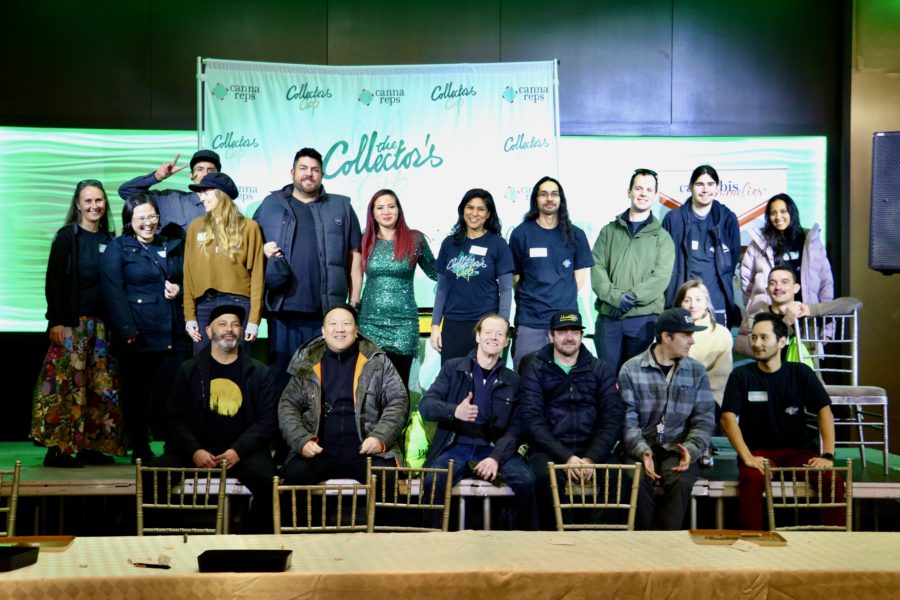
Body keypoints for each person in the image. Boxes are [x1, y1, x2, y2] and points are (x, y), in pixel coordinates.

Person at [156, 305, 277, 533]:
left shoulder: (259, 372)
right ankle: (167, 540)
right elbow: (173, 418)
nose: (229, 329)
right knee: (153, 476)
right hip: (195, 452)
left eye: (235, 324)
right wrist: (195, 450)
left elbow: (267, 420)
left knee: (270, 481)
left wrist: (238, 450)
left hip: (242, 454)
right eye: (222, 324)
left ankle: (256, 542)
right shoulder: (188, 370)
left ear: (241, 331)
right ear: (209, 331)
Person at [721, 312, 845, 531]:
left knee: (831, 480)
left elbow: (824, 411)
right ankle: (751, 541)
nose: (756, 343)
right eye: (754, 337)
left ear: (781, 342)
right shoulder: (741, 375)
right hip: (759, 453)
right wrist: (747, 457)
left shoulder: (800, 372)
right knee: (751, 480)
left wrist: (827, 455)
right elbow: (727, 417)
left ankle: (834, 540)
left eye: (764, 338)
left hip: (798, 452)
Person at [32, 179, 125, 467]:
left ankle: (90, 448)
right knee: (67, 389)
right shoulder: (66, 237)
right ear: (78, 205)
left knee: (99, 389)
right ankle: (58, 450)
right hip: (73, 327)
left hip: (101, 329)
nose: (94, 206)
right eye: (88, 201)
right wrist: (56, 321)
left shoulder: (111, 240)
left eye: (99, 200)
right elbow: (54, 282)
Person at [253, 148, 362, 390]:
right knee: (283, 381)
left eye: (314, 170)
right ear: (292, 172)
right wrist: (262, 248)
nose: (308, 174)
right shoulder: (271, 204)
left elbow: (355, 255)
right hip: (282, 312)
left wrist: (353, 303)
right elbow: (249, 246)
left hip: (326, 313)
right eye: (303, 168)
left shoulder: (341, 206)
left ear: (322, 174)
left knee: (324, 383)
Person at [419, 314, 538, 530]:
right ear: (478, 336)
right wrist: (455, 411)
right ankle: (434, 540)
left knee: (527, 481)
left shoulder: (513, 379)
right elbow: (426, 406)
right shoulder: (453, 368)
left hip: (495, 449)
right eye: (488, 332)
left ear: (506, 341)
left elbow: (517, 427)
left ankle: (521, 544)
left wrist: (495, 458)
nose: (493, 337)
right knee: (434, 481)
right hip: (457, 446)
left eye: (499, 334)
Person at [101, 194, 189, 462]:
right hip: (137, 335)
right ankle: (140, 448)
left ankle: (175, 448)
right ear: (130, 220)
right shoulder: (118, 247)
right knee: (136, 395)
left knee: (173, 395)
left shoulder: (169, 244)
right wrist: (127, 330)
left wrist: (180, 290)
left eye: (152, 216)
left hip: (172, 333)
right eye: (141, 217)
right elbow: (113, 292)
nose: (148, 222)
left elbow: (186, 278)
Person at [279, 305, 408, 485]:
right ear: (323, 331)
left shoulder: (377, 361)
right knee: (295, 475)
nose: (339, 329)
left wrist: (379, 437)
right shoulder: (307, 362)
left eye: (346, 324)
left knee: (385, 480)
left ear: (356, 330)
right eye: (333, 324)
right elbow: (288, 405)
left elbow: (398, 400)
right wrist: (301, 440)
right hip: (319, 450)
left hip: (366, 450)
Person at [519, 309, 623, 530]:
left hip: (591, 450)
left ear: (582, 335)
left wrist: (591, 458)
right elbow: (532, 419)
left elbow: (612, 419)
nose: (569, 337)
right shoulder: (535, 368)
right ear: (551, 336)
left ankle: (596, 538)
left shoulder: (600, 369)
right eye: (562, 332)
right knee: (542, 476)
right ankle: (560, 540)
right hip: (549, 451)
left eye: (574, 332)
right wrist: (566, 457)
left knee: (619, 475)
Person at [619, 308, 715, 530]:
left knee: (680, 480)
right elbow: (627, 421)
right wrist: (642, 451)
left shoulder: (696, 371)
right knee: (635, 479)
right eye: (686, 335)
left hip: (677, 448)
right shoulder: (631, 370)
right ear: (666, 337)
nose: (692, 341)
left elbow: (704, 419)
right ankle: (643, 542)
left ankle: (666, 543)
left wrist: (691, 449)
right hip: (640, 447)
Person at [591, 168, 674, 373]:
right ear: (629, 192)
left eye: (649, 190)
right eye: (638, 188)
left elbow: (660, 278)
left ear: (655, 195)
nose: (643, 193)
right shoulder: (608, 231)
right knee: (607, 379)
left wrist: (631, 298)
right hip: (609, 318)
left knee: (637, 380)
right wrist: (616, 298)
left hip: (643, 321)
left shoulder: (663, 238)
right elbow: (597, 267)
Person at [510, 177, 593, 369]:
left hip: (565, 322)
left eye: (554, 194)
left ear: (560, 199)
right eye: (543, 194)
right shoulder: (521, 234)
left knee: (565, 379)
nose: (549, 198)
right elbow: (515, 277)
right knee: (526, 376)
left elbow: (579, 279)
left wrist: (559, 298)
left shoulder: (576, 234)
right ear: (535, 199)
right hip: (530, 321)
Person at [358, 189, 437, 386]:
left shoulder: (415, 239)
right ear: (372, 213)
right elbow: (352, 275)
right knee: (370, 387)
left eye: (391, 206)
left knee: (398, 387)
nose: (386, 212)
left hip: (404, 325)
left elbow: (436, 273)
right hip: (369, 323)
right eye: (380, 207)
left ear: (399, 210)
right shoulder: (364, 239)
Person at [431, 188, 513, 365]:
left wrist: (502, 323)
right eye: (470, 207)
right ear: (463, 210)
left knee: (485, 377)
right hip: (453, 325)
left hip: (486, 325)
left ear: (488, 214)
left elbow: (506, 289)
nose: (474, 213)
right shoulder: (449, 243)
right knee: (453, 377)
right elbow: (442, 289)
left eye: (481, 209)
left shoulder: (498, 244)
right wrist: (435, 325)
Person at [182, 172, 263, 350]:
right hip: (204, 305)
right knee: (202, 362)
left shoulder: (249, 227)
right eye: (200, 193)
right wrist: (189, 316)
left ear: (221, 193)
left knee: (238, 362)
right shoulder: (195, 227)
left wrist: (253, 320)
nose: (201, 198)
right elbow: (188, 275)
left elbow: (258, 276)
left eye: (206, 192)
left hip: (239, 304)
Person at [662, 165, 741, 327]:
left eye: (710, 184)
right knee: (683, 342)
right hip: (683, 301)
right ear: (690, 186)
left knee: (716, 342)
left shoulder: (728, 219)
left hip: (716, 301)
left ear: (717, 187)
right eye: (700, 184)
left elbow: (731, 261)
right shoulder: (673, 219)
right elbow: (663, 262)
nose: (705, 190)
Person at [734, 266, 861, 357]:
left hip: (807, 378)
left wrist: (811, 309)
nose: (778, 287)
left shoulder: (808, 313)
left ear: (796, 288)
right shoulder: (758, 317)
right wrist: (785, 323)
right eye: (773, 283)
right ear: (767, 290)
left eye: (785, 282)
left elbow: (854, 303)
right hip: (772, 380)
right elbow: (743, 348)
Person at [740, 193, 834, 314]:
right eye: (773, 213)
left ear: (792, 213)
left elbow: (826, 282)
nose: (778, 217)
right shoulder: (758, 244)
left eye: (783, 211)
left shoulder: (811, 242)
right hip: (770, 316)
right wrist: (754, 311)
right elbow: (747, 282)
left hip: (806, 314)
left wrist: (823, 315)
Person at [118, 150, 221, 233]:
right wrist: (156, 177)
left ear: (219, 175)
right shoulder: (170, 199)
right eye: (200, 169)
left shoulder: (225, 205)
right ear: (191, 175)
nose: (205, 174)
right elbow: (125, 191)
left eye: (211, 170)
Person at [674, 279, 733, 407]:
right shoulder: (668, 332)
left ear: (706, 303)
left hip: (708, 398)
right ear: (680, 304)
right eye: (687, 300)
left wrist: (689, 393)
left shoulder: (721, 333)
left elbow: (720, 376)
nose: (693, 305)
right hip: (671, 396)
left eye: (698, 300)